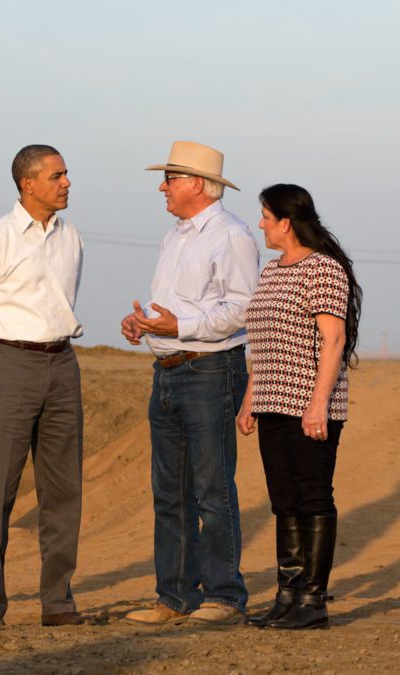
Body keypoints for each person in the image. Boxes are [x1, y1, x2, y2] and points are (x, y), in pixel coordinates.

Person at [120, 141, 259, 626]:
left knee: (212, 489)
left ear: (197, 184)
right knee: (169, 492)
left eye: (171, 178)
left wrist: (176, 326)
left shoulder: (232, 235)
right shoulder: (174, 236)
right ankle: (175, 596)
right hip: (168, 371)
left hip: (211, 371)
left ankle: (224, 596)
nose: (163, 186)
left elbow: (242, 309)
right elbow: (175, 310)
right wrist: (145, 325)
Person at [0, 145, 86, 627]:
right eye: (57, 175)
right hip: (7, 364)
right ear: (28, 184)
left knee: (64, 491)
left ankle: (58, 602)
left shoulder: (72, 238)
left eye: (67, 174)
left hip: (63, 365)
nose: (67, 182)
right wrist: (0, 371)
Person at [236, 183, 362, 630]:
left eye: (266, 217)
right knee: (283, 500)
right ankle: (287, 594)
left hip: (310, 403)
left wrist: (318, 404)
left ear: (286, 221)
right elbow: (264, 341)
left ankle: (313, 599)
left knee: (312, 496)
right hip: (272, 401)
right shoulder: (272, 272)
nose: (261, 225)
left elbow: (334, 340)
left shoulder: (323, 270)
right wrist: (252, 397)